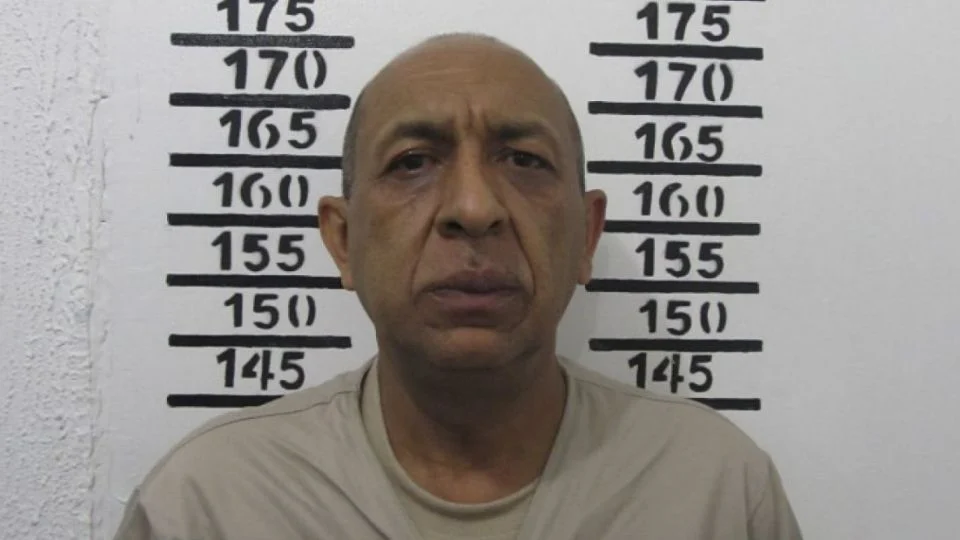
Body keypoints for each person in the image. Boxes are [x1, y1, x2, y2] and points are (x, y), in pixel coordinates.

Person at [114, 33, 802, 539]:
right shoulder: (207, 506)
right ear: (343, 240)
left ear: (586, 236)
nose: (474, 208)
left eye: (524, 160)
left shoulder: (715, 491)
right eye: (413, 161)